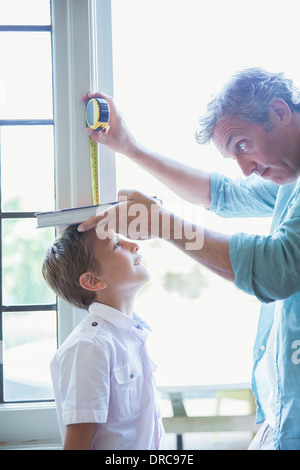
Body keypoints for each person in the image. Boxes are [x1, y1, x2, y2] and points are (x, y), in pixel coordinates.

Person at [79, 67, 300, 450]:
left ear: (280, 112)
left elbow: (278, 267)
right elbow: (223, 195)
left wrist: (165, 224)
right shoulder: (289, 179)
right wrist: (130, 147)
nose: (246, 170)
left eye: (242, 144)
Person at [42, 224, 165, 450]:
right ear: (93, 281)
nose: (134, 244)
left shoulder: (132, 334)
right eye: (117, 244)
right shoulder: (90, 346)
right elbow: (77, 443)